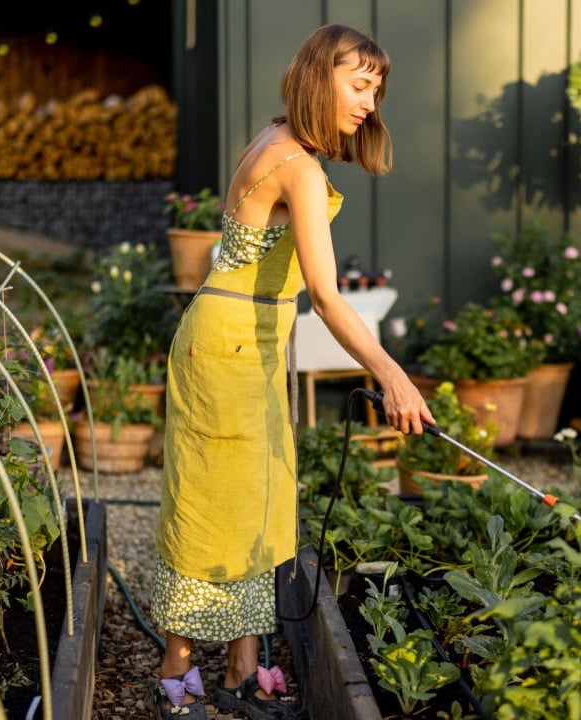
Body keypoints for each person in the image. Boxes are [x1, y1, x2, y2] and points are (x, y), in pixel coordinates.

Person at [145, 23, 434, 720]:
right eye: (359, 85)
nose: (370, 102)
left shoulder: (278, 139)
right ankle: (175, 664)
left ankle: (243, 664)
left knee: (263, 498)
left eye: (376, 89)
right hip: (232, 345)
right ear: (319, 78)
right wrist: (392, 373)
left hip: (242, 337)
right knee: (218, 504)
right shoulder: (297, 167)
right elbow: (328, 296)